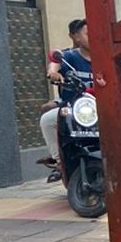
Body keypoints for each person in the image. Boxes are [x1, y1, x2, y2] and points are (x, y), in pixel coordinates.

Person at [39, 19, 92, 182]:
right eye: (88, 34)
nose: (93, 37)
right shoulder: (69, 57)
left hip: (99, 109)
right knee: (47, 120)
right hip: (73, 109)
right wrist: (54, 73)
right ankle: (60, 162)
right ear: (76, 37)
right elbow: (55, 64)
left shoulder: (105, 57)